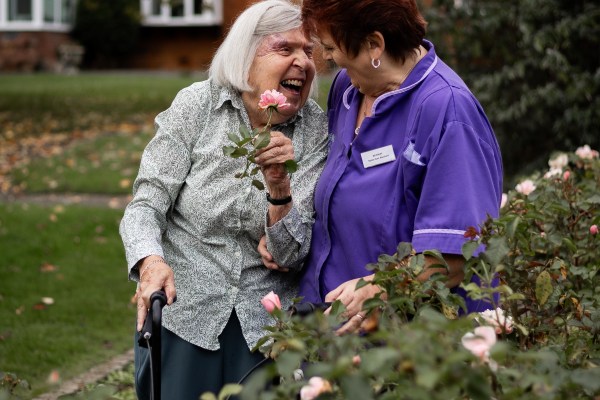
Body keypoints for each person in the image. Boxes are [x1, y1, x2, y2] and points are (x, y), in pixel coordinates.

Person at [119, 1, 328, 399]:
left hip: (266, 330)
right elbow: (146, 203)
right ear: (245, 54)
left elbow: (289, 254)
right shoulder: (197, 106)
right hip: (187, 316)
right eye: (286, 49)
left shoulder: (314, 128)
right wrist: (151, 262)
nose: (303, 61)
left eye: (309, 51)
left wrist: (280, 188)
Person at [260, 0, 503, 334]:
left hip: (410, 346)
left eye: (330, 47)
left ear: (375, 44)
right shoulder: (349, 89)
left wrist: (379, 289)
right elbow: (341, 196)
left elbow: (455, 257)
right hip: (332, 328)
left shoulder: (448, 112)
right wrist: (289, 232)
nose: (326, 59)